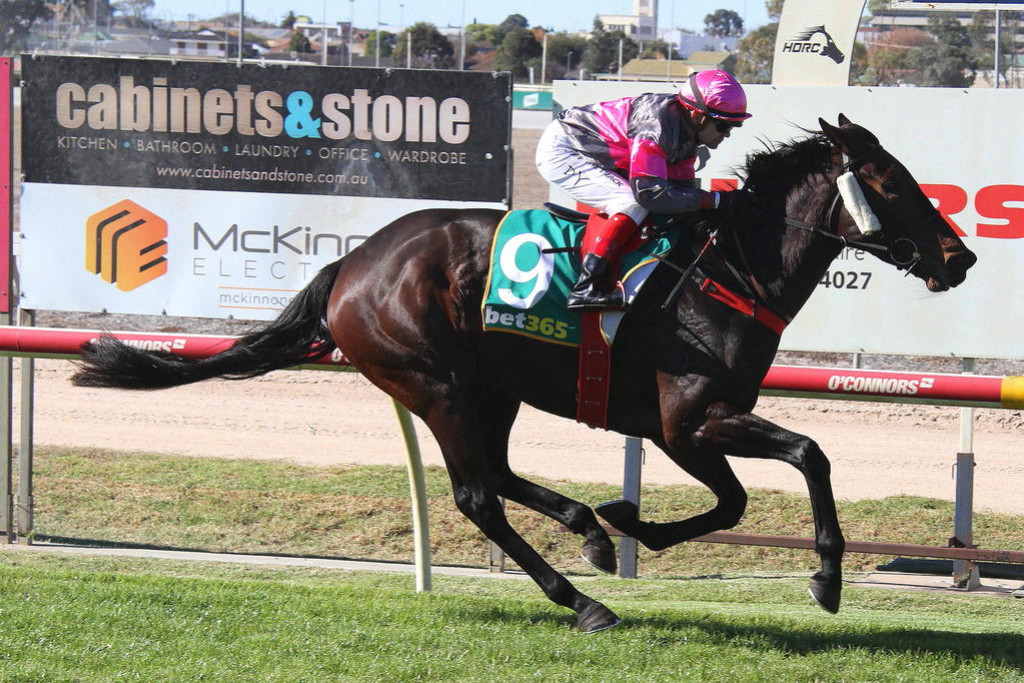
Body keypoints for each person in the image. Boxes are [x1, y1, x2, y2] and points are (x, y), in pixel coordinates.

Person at [535, 69, 751, 311]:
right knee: (630, 202)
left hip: (593, 149)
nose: (728, 134)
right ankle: (586, 288)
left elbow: (682, 196)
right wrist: (718, 200)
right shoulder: (656, 126)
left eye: (735, 126)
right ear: (696, 114)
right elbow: (651, 194)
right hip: (564, 149)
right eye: (723, 125)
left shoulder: (687, 135)